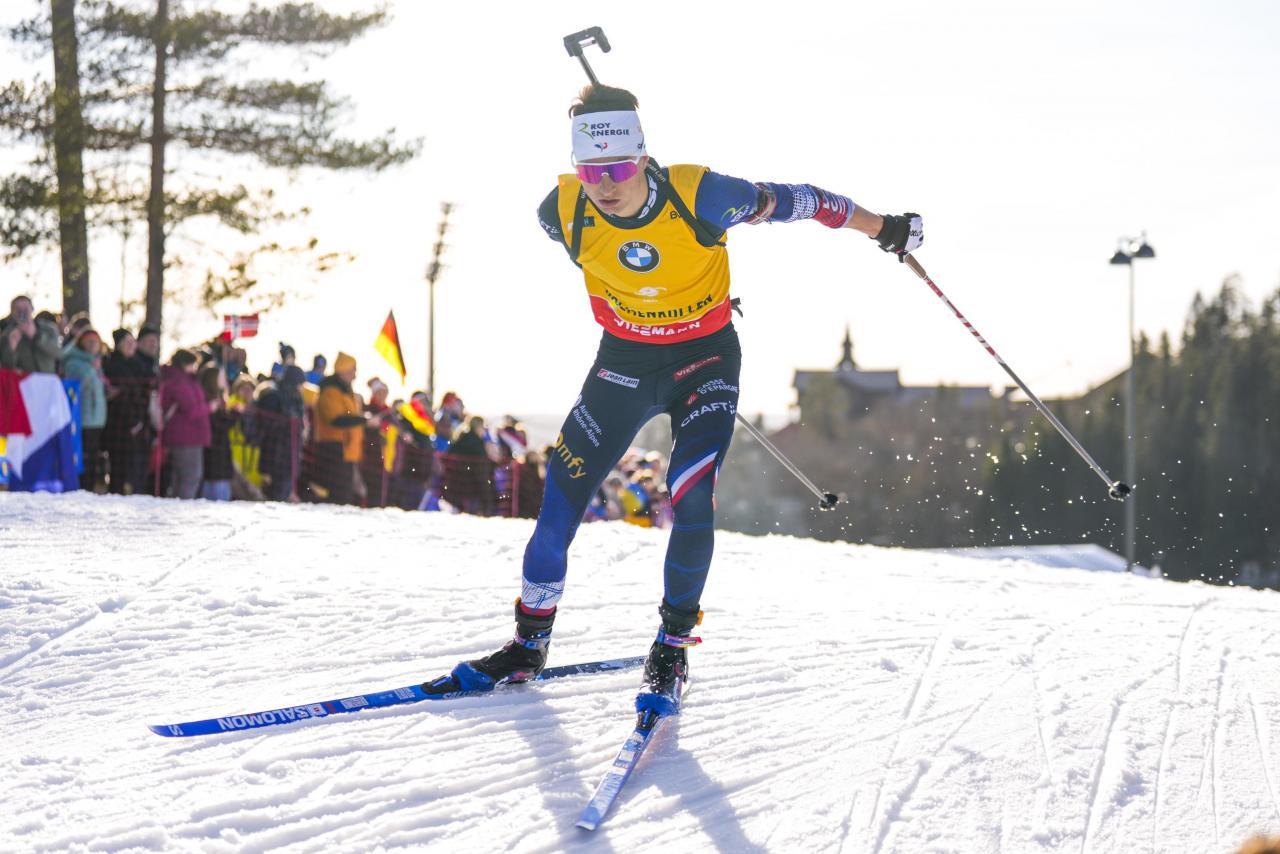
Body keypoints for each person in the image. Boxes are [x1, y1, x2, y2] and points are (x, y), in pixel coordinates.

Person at [425, 83, 923, 715]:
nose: (605, 184)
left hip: (704, 363)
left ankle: (671, 647)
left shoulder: (703, 196)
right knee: (559, 502)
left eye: (619, 168)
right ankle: (528, 644)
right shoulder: (561, 211)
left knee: (690, 495)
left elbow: (804, 201)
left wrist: (883, 228)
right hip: (623, 364)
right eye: (591, 170)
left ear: (642, 157)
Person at [312, 351, 365, 505]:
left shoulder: (345, 391)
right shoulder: (331, 391)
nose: (355, 375)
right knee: (337, 495)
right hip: (334, 447)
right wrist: (363, 420)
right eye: (353, 370)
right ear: (344, 370)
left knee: (344, 494)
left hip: (346, 450)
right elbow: (335, 419)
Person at [159, 349, 211, 499]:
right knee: (191, 476)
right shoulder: (180, 381)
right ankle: (183, 508)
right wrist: (210, 407)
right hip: (187, 437)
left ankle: (176, 506)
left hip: (183, 436)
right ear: (184, 363)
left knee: (179, 478)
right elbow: (192, 410)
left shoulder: (179, 379)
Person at [61, 327, 108, 491]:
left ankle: (90, 488)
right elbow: (76, 387)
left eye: (96, 342)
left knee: (93, 457)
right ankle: (80, 487)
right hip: (81, 418)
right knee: (83, 456)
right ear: (81, 343)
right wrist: (92, 369)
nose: (93, 345)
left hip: (97, 418)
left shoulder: (96, 362)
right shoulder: (73, 362)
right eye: (89, 341)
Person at [198, 364, 236, 501]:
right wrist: (235, 415)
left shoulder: (220, 399)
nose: (225, 379)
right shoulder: (208, 400)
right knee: (216, 496)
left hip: (220, 456)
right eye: (221, 376)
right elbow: (219, 426)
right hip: (213, 455)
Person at [1, 296, 61, 373]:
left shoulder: (48, 329)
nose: (22, 313)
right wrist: (12, 346)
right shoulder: (6, 335)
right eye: (18, 309)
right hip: (24, 379)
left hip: (47, 377)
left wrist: (36, 335)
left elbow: (57, 353)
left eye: (26, 309)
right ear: (12, 312)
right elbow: (6, 366)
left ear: (32, 309)